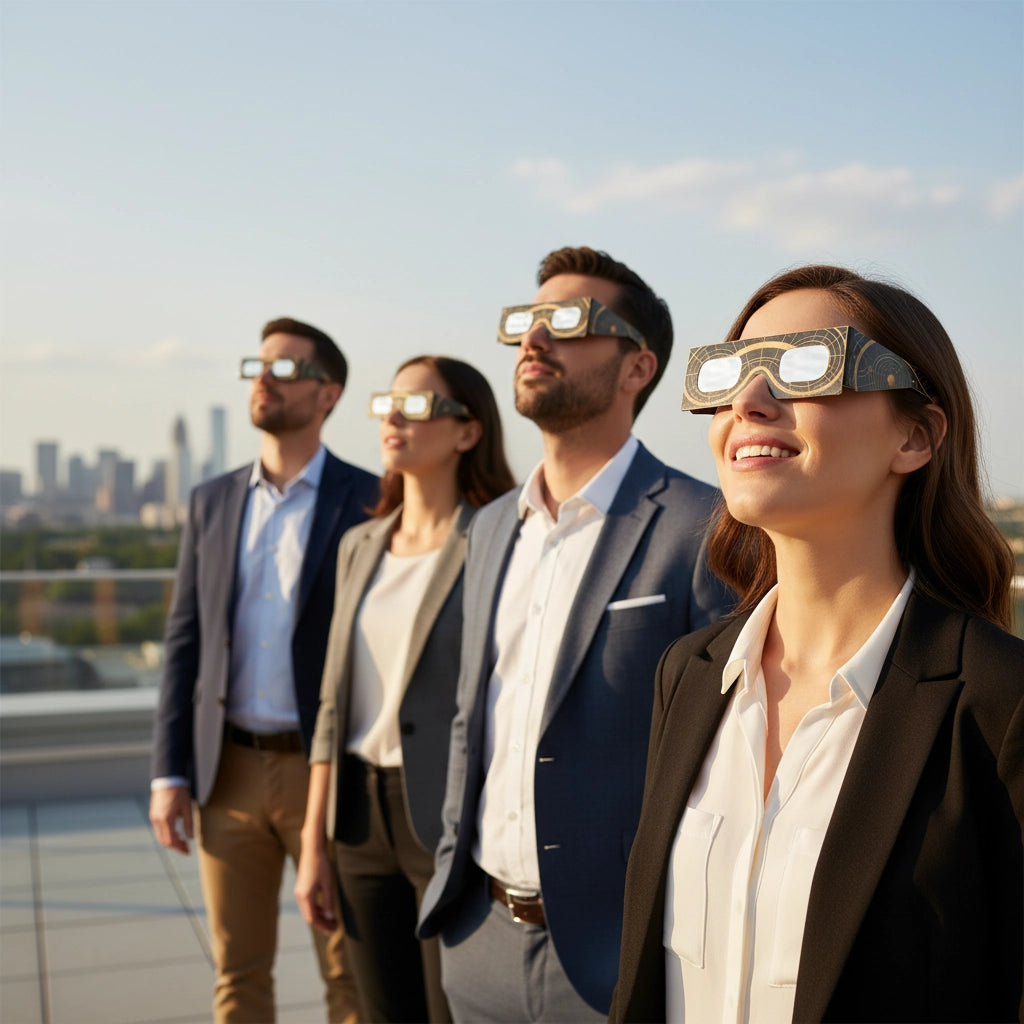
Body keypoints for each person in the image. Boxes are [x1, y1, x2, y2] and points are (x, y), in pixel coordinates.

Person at [610, 265, 1024, 1024]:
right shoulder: (692, 673)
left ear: (916, 435)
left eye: (808, 365)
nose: (749, 401)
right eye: (730, 372)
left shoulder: (1002, 702)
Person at [417, 246, 734, 1022]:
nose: (534, 339)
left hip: (615, 953)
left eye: (570, 322)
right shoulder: (491, 526)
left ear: (637, 367)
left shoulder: (704, 527)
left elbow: (725, 760)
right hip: (476, 935)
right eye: (528, 321)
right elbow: (472, 720)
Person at [149, 317, 379, 1024]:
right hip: (228, 773)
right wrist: (170, 773)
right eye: (259, 365)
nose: (264, 379)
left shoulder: (371, 498)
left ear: (328, 394)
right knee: (238, 974)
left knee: (351, 979)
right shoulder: (212, 500)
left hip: (329, 776)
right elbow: (183, 641)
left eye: (285, 369)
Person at [294, 355, 516, 1023]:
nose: (392, 417)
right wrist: (313, 842)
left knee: (452, 1009)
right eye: (388, 403)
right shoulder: (361, 543)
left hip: (447, 818)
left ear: (467, 432)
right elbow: (334, 704)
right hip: (356, 817)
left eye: (417, 406)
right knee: (383, 1010)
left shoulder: (497, 540)